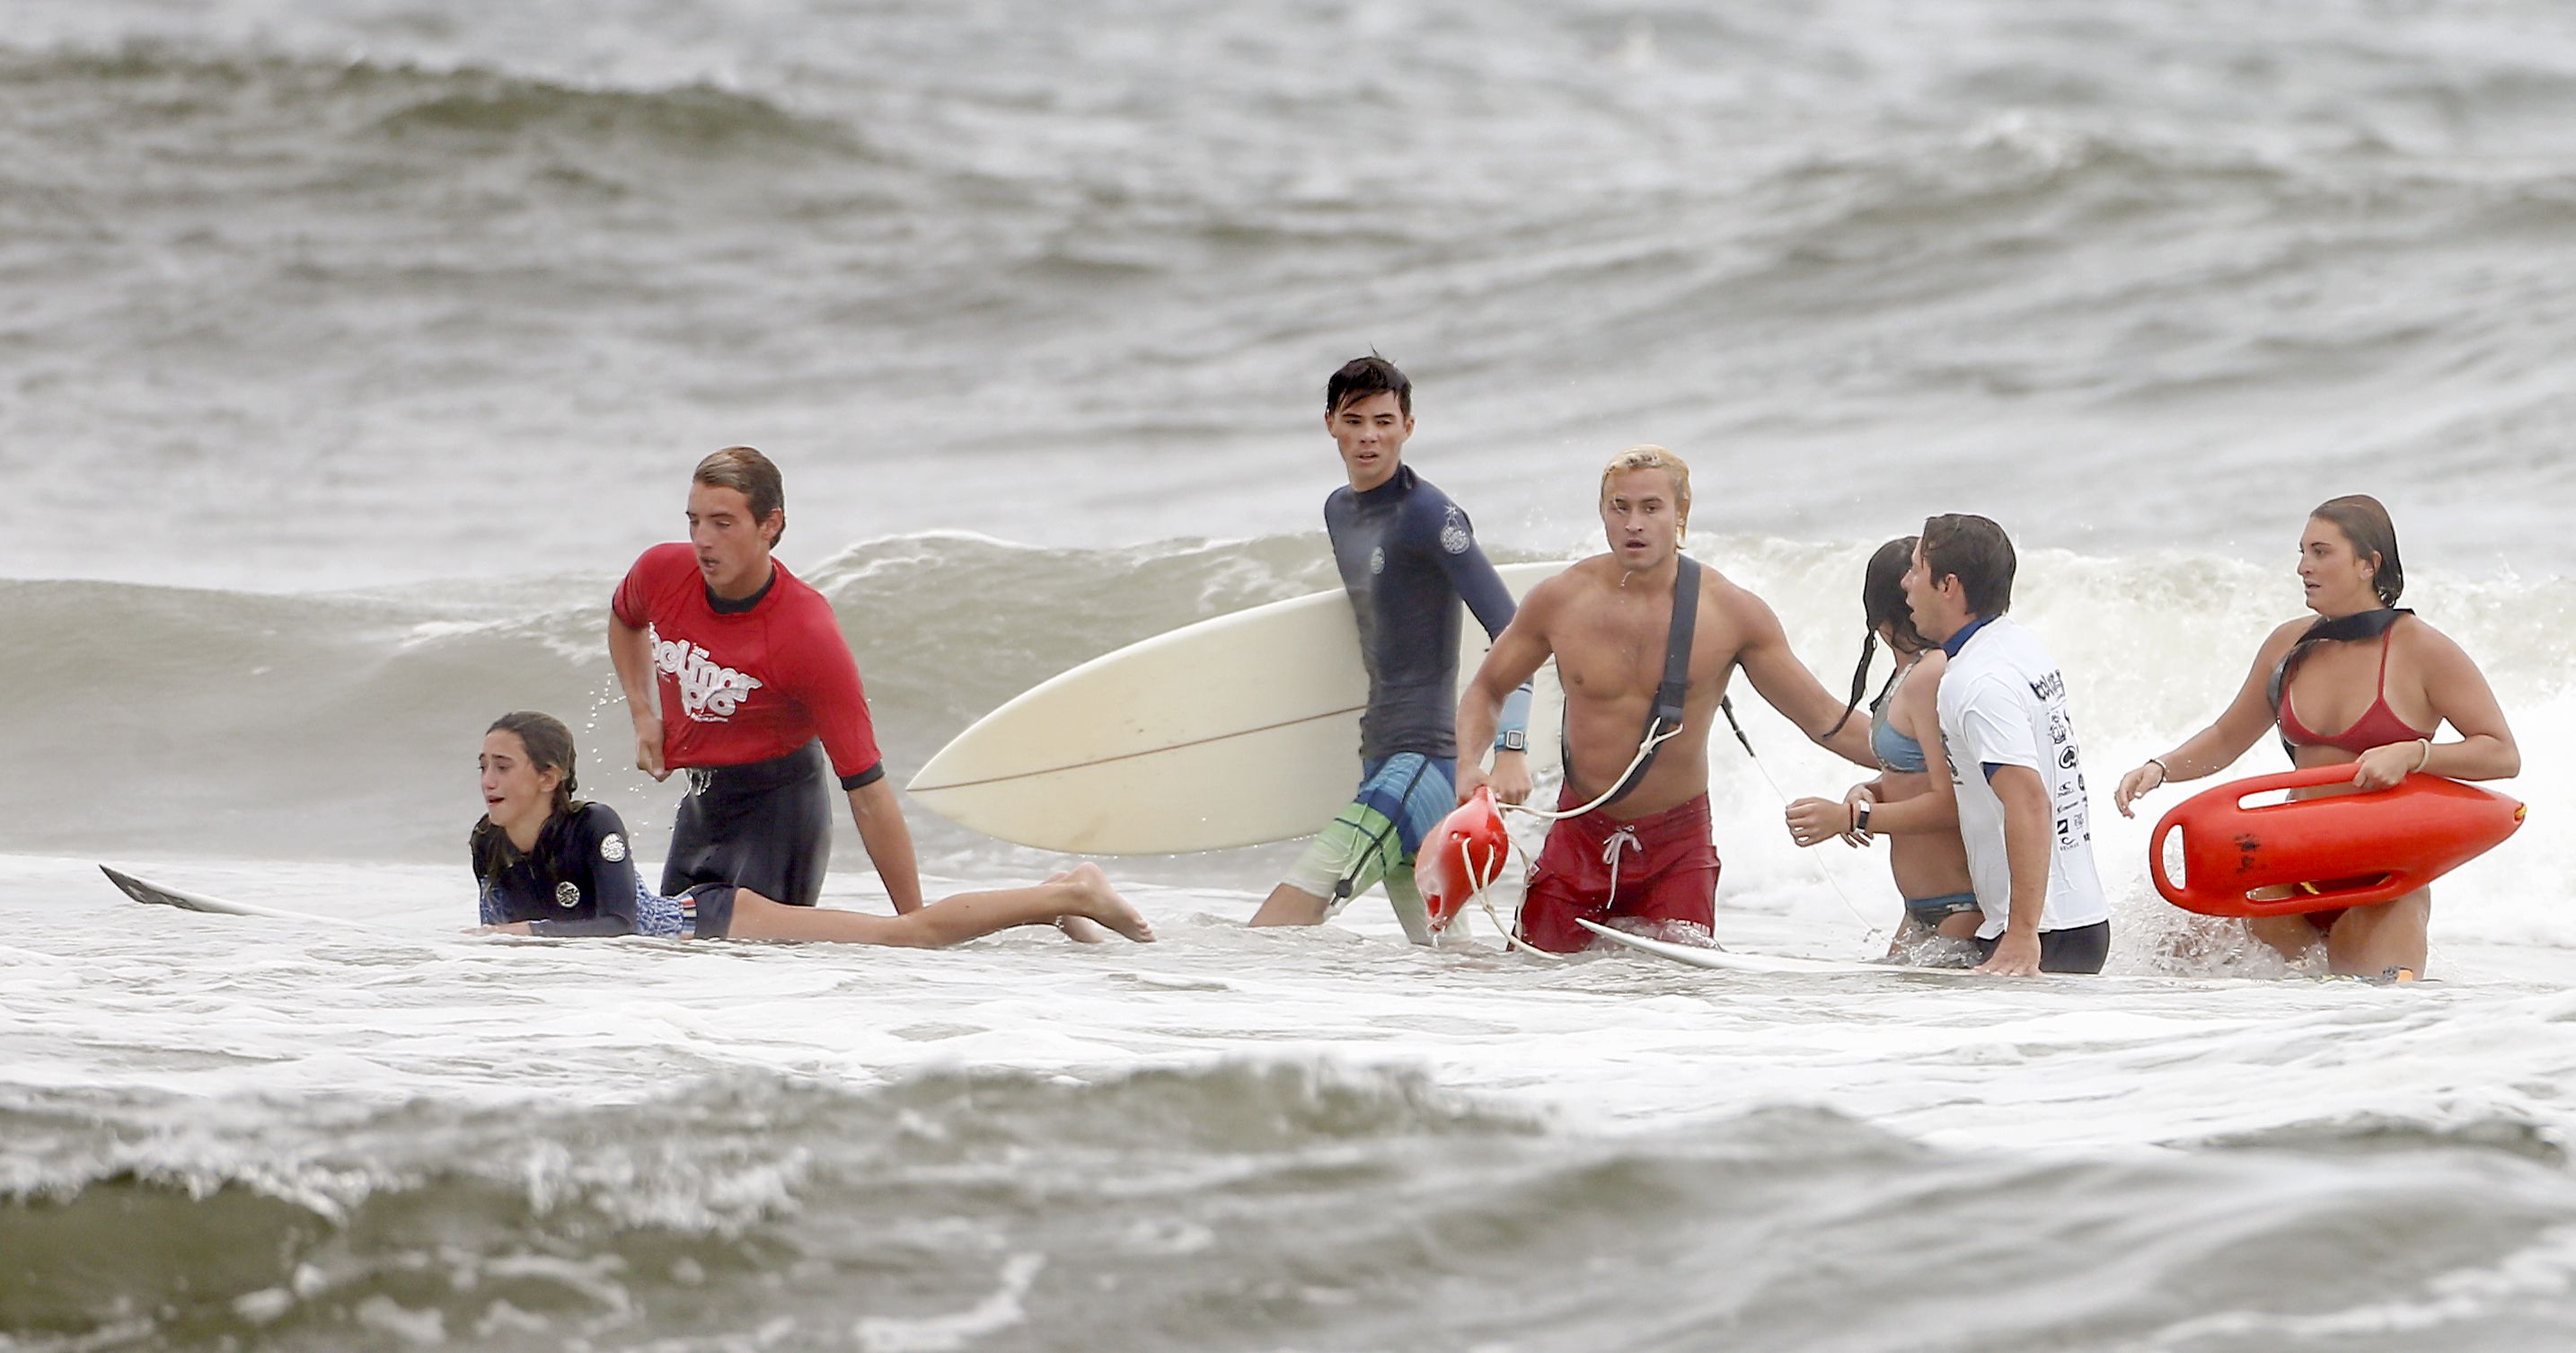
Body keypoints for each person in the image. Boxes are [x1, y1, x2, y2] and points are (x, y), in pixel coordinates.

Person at [1454, 445, 1875, 954]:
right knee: (1536, 992)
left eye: (1651, 508)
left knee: (1676, 1007)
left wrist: (1937, 763)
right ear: (1603, 513)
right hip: (1578, 837)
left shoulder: (1732, 613)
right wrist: (1467, 764)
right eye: (1620, 507)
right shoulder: (1560, 600)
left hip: (1677, 849)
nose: (1634, 523)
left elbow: (1826, 719)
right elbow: (1487, 688)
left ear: (1681, 514)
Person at [2112, 495, 2518, 977]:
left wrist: (2415, 753)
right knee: (2203, 982)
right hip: (2288, 870)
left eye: (2321, 552)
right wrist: (2159, 769)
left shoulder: (2422, 649)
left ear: (2369, 564)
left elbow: (2501, 753)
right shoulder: (2290, 645)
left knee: (2377, 1021)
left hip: (2382, 884)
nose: (2304, 566)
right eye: (2301, 553)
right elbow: (2226, 737)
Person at [1249, 356, 1534, 943]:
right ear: (1330, 423)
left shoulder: (1430, 514)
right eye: (1354, 421)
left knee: (1271, 933)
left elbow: (1514, 632)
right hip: (1380, 757)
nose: (1369, 436)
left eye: (1384, 420)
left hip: (1422, 763)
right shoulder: (1338, 509)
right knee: (1447, 960)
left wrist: (1509, 751)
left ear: (1409, 426)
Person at [472, 712, 1152, 944]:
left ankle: (1071, 894)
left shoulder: (594, 824)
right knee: (905, 940)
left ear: (550, 775)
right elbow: (500, 935)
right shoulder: (487, 844)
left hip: (711, 919)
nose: (489, 780)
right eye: (483, 766)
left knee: (905, 937)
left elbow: (620, 926)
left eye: (503, 766)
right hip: (687, 958)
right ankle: (1058, 892)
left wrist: (525, 936)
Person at [608, 447, 922, 914]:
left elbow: (867, 787)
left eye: (722, 522)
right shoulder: (661, 573)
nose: (703, 540)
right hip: (701, 810)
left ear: (770, 524)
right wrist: (642, 712)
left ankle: (1053, 896)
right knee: (672, 959)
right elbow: (624, 619)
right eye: (694, 521)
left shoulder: (806, 632)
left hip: (780, 820)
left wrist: (914, 923)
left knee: (758, 970)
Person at [1892, 514, 2111, 975]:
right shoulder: (2018, 645)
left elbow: (2029, 800)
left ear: (1948, 585)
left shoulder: (1976, 683)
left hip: (2044, 934)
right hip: (2073, 920)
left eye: (1916, 570)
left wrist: (2022, 936)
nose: (1906, 584)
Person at [1782, 537, 1984, 956]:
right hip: (1919, 912)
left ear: (1877, 614)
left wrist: (1853, 818)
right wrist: (1872, 790)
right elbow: (1921, 773)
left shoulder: (1931, 673)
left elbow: (1951, 800)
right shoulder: (1907, 676)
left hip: (1960, 907)